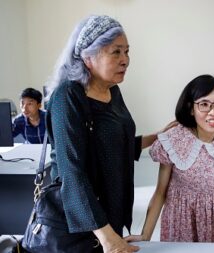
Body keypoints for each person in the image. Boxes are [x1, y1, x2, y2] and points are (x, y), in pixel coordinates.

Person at [44, 15, 168, 252]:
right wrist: (108, 238)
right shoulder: (68, 96)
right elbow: (72, 172)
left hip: (109, 218)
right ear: (88, 57)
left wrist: (158, 136)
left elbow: (112, 145)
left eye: (127, 52)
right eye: (116, 52)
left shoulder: (113, 93)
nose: (125, 60)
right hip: (79, 226)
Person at [125, 75, 214, 247]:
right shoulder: (175, 139)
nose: (213, 112)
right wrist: (145, 235)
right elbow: (160, 192)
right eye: (204, 104)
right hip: (181, 221)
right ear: (191, 108)